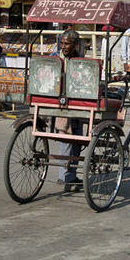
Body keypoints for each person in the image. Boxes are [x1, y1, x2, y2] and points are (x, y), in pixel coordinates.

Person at [53, 29, 83, 191]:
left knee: (78, 139)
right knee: (66, 137)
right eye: (62, 43)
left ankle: (70, 175)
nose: (64, 47)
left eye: (67, 44)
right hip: (60, 103)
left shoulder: (81, 59)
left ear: (75, 45)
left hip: (77, 102)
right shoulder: (55, 58)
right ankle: (64, 175)